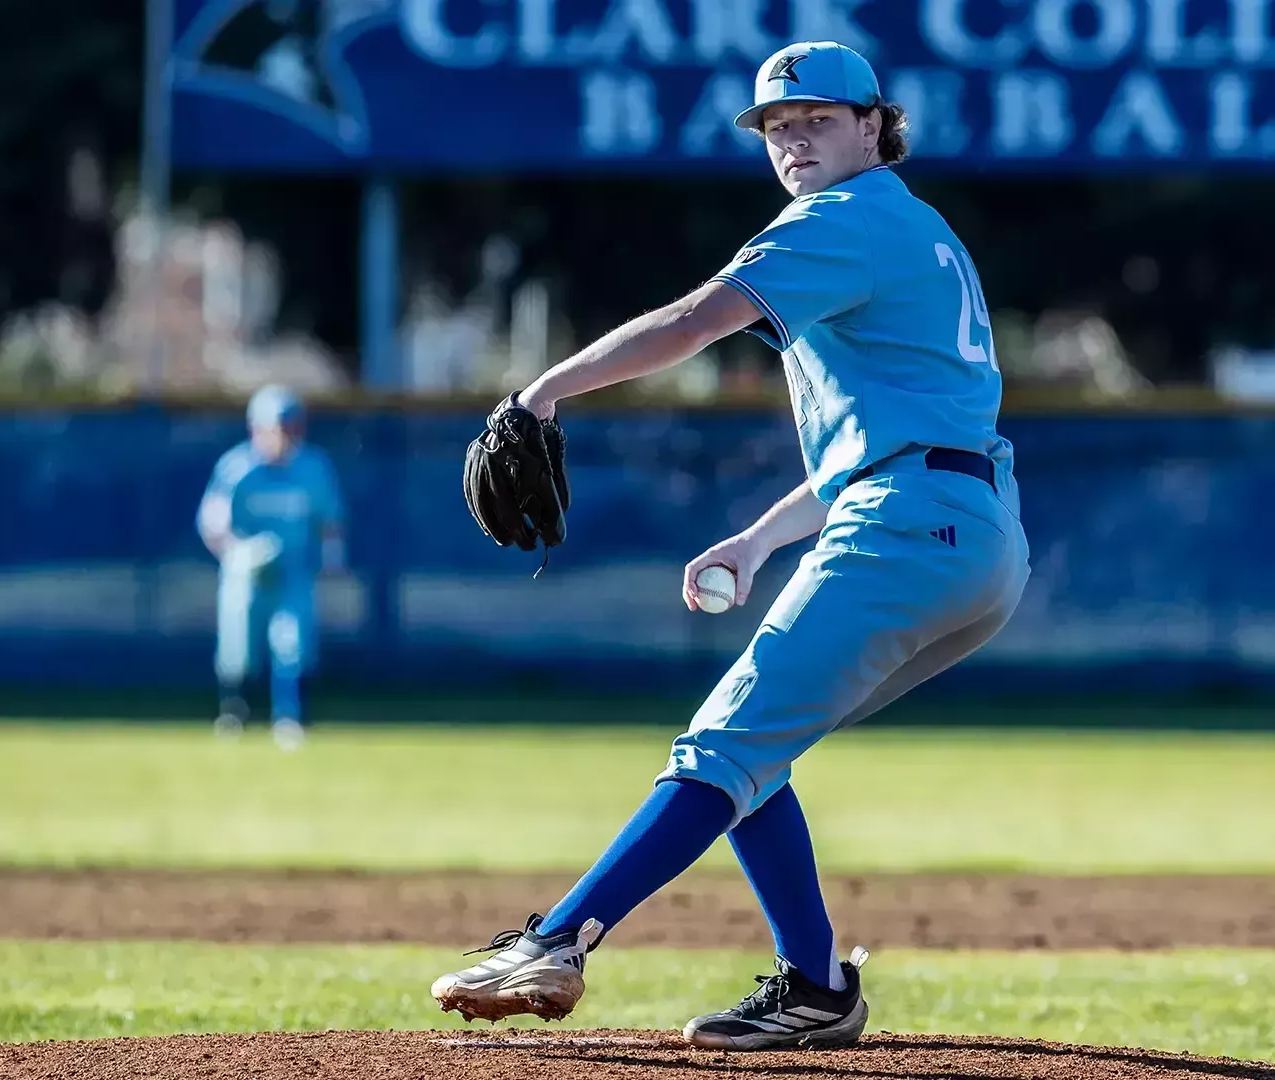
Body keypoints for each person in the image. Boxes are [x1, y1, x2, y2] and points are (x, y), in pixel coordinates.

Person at [436, 41, 1030, 1050]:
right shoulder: (916, 230)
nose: (794, 141)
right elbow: (901, 434)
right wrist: (758, 540)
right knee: (758, 750)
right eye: (777, 129)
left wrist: (540, 393)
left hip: (907, 527)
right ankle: (814, 987)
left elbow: (693, 322)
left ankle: (557, 941)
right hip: (972, 533)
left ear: (877, 126)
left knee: (721, 749)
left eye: (818, 120)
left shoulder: (842, 219)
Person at [196, 385, 346, 750]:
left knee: (292, 642)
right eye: (276, 426)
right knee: (238, 646)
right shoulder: (237, 467)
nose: (282, 435)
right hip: (246, 574)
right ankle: (234, 712)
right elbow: (212, 522)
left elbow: (329, 521)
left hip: (293, 570)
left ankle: (291, 717)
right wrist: (237, 552)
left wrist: (333, 560)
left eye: (290, 426)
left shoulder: (313, 467)